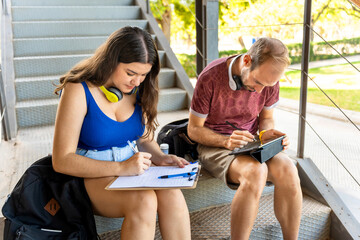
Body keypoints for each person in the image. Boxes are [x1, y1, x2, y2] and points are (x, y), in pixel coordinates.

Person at [52, 26, 191, 240]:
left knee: (172, 193)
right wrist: (121, 167)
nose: (136, 81)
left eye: (143, 75)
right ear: (110, 61)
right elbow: (62, 160)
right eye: (131, 73)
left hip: (131, 170)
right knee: (144, 201)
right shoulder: (78, 89)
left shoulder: (139, 89)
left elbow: (143, 139)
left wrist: (160, 157)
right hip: (90, 176)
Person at [187, 37, 302, 240]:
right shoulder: (211, 77)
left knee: (288, 169)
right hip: (214, 142)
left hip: (251, 140)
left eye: (266, 85)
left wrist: (265, 134)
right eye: (257, 82)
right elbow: (194, 129)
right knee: (256, 171)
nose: (259, 91)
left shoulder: (269, 81)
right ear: (247, 60)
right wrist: (225, 141)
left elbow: (266, 118)